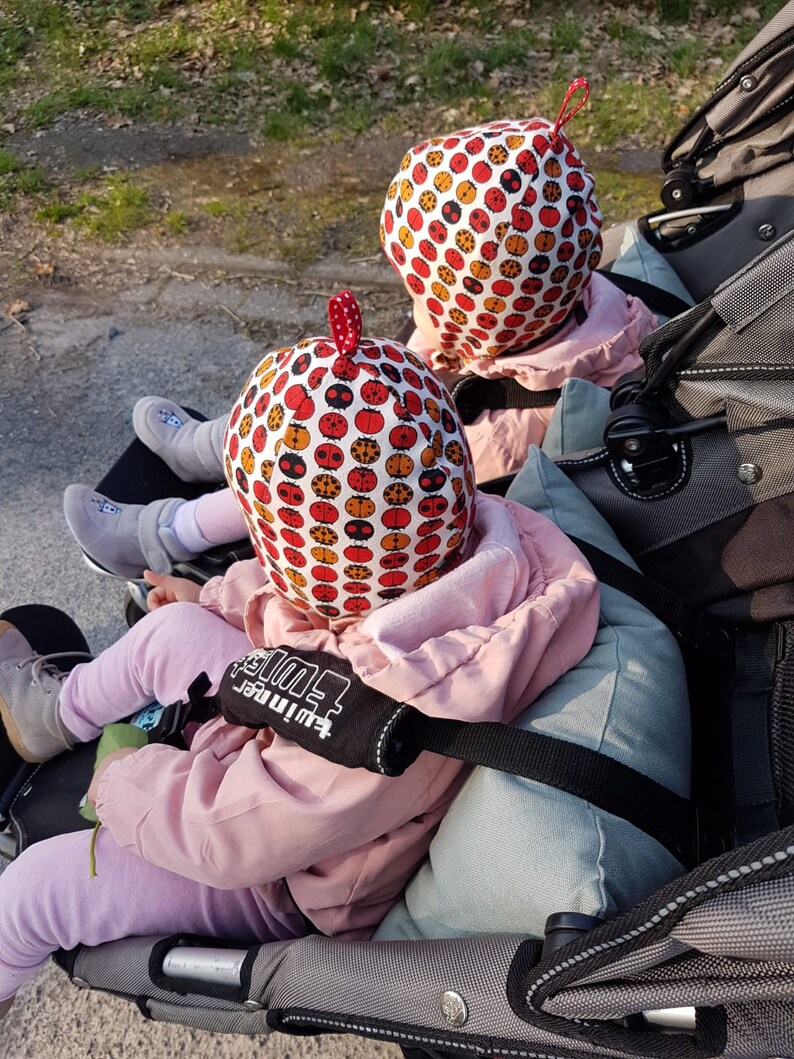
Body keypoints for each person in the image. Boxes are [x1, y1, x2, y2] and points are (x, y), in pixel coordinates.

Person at [0, 291, 600, 1018]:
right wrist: (211, 602)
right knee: (172, 634)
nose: (257, 549)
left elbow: (233, 833)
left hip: (286, 877)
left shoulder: (382, 719)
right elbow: (306, 601)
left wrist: (126, 777)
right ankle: (53, 716)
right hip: (298, 724)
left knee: (34, 891)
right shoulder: (466, 537)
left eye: (263, 535)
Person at [62, 78, 655, 579]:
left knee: (313, 461)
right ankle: (212, 444)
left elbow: (364, 485)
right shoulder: (558, 307)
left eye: (423, 293)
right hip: (449, 389)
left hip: (367, 504)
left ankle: (169, 534)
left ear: (477, 316)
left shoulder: (517, 425)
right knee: (309, 390)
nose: (413, 302)